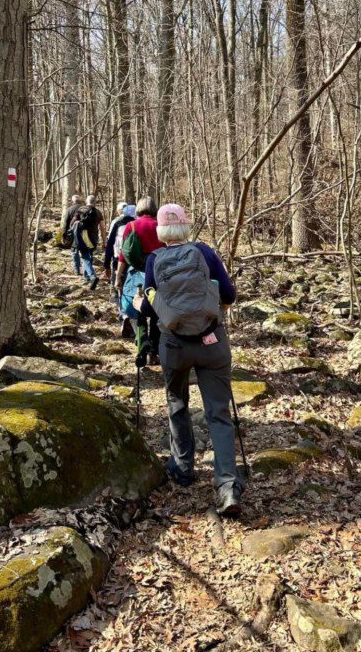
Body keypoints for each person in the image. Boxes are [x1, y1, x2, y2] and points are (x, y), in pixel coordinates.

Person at [135, 203, 243, 517]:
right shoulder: (205, 254)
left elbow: (152, 306)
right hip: (212, 343)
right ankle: (227, 487)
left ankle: (183, 469)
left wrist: (140, 302)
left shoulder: (155, 260)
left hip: (175, 346)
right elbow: (229, 295)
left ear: (161, 231)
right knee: (218, 415)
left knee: (177, 404)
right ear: (186, 227)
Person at [116, 196, 164, 356]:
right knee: (157, 309)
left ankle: (142, 340)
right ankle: (155, 350)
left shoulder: (131, 226)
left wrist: (118, 277)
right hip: (158, 273)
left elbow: (123, 255)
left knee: (138, 306)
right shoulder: (161, 225)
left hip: (136, 273)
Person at [73, 195, 104, 290]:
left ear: (87, 202)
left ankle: (92, 276)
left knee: (85, 257)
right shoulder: (98, 212)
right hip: (94, 238)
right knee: (89, 255)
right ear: (94, 202)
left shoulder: (81, 209)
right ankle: (87, 278)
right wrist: (104, 241)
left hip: (83, 237)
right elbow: (102, 228)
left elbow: (73, 222)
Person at [104, 203, 136, 296]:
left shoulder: (116, 222)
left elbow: (110, 242)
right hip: (132, 257)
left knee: (118, 278)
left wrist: (106, 263)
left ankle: (118, 297)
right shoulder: (137, 223)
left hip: (117, 255)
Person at [62, 194, 83, 276]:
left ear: (73, 201)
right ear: (80, 200)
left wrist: (64, 235)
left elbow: (66, 223)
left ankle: (76, 270)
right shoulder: (85, 208)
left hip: (73, 234)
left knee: (75, 252)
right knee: (84, 251)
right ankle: (85, 270)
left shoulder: (69, 209)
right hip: (85, 233)